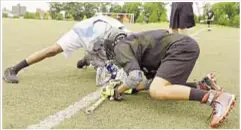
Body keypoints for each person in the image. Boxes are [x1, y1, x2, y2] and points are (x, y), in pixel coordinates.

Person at [100, 28, 235, 128]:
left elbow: (135, 77)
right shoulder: (135, 43)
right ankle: (201, 86)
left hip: (179, 48)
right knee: (162, 86)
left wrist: (119, 89)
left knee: (156, 91)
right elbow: (149, 82)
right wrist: (132, 89)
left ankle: (216, 98)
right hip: (182, 46)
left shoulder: (120, 47)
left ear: (111, 45)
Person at [3, 15, 131, 84]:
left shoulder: (124, 33)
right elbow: (95, 47)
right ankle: (13, 69)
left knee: (117, 59)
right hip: (85, 34)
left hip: (102, 37)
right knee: (52, 50)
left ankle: (89, 59)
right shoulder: (83, 34)